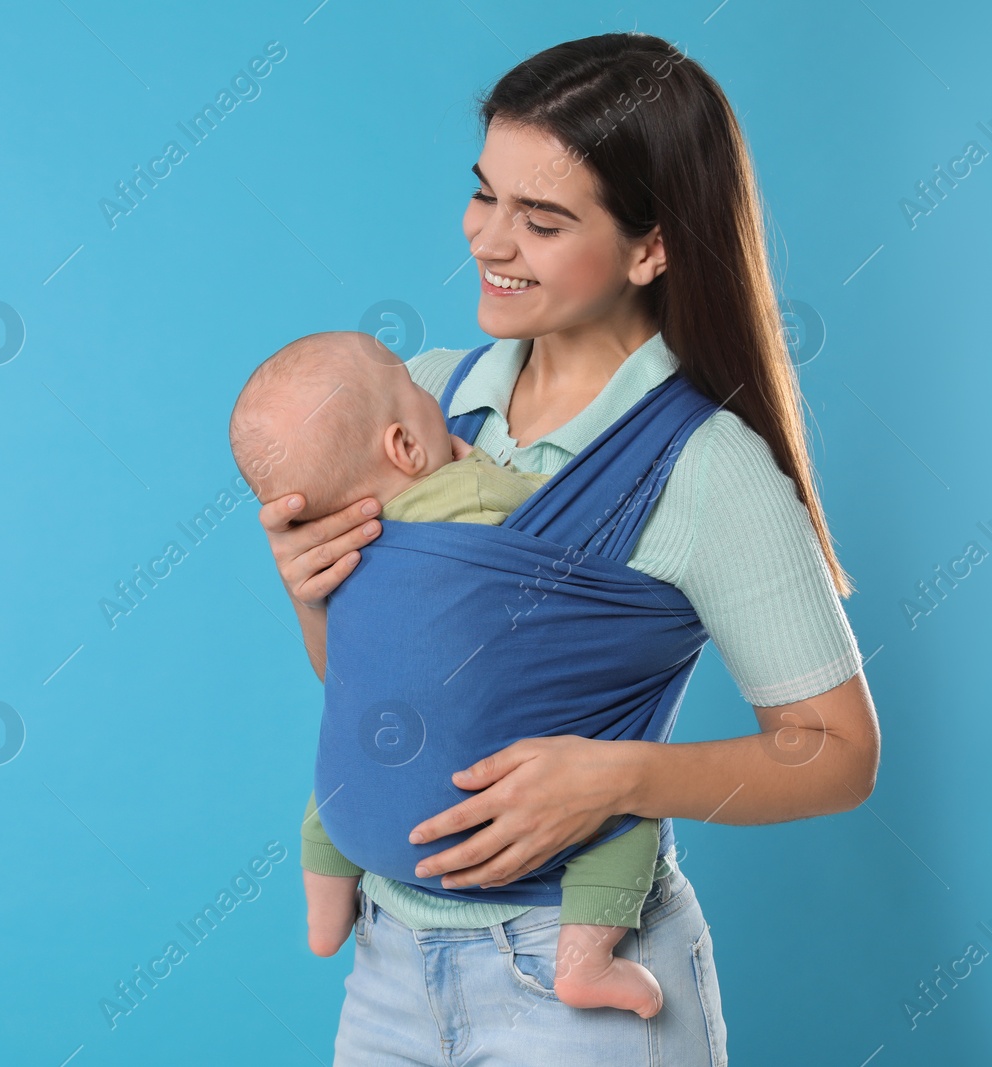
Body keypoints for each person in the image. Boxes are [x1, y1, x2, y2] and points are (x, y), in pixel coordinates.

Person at [251, 32, 880, 1066]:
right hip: (390, 961)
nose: (487, 241)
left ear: (650, 247)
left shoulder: (708, 467)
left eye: (540, 220)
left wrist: (615, 778)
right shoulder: (420, 396)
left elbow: (839, 755)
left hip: (579, 978)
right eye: (483, 194)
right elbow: (400, 697)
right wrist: (313, 596)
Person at [229, 330, 666, 1017]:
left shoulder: (333, 547)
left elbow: (352, 672)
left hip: (360, 812)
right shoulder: (475, 486)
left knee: (335, 782)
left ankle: (323, 918)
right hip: (484, 798)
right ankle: (586, 962)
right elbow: (565, 512)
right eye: (418, 394)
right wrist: (493, 473)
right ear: (405, 446)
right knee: (626, 817)